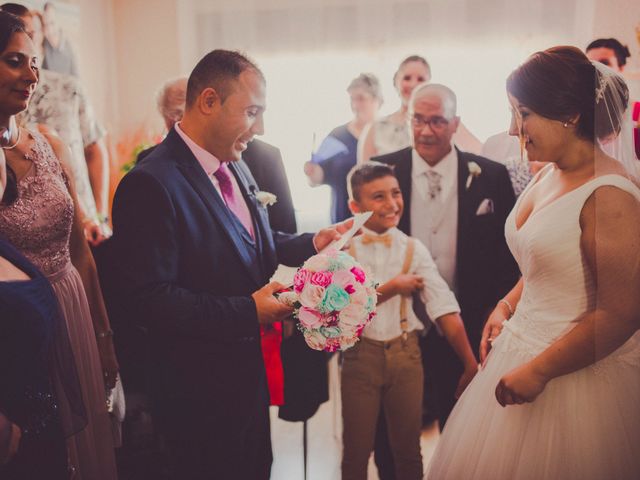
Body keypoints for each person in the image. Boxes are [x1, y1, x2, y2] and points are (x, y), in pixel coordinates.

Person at [109, 49, 352, 479]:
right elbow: (149, 299)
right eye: (252, 112)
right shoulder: (150, 183)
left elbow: (253, 243)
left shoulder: (234, 166)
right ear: (207, 101)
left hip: (248, 382)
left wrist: (313, 241)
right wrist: (248, 311)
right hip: (195, 395)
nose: (259, 128)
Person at [426, 46, 640, 480]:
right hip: (518, 347)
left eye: (522, 113)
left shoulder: (610, 195)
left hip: (575, 379)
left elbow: (622, 313)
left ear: (571, 115)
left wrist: (539, 371)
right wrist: (506, 304)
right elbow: (545, 261)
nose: (513, 128)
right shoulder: (548, 173)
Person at [374, 82, 519, 479]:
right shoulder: (380, 171)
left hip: (466, 327)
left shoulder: (490, 176)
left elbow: (508, 257)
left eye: (437, 120)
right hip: (396, 327)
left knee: (461, 433)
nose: (425, 130)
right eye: (417, 119)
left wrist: (495, 313)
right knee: (391, 435)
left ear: (455, 123)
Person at [0, 11, 118, 479]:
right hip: (19, 328)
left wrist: (105, 340)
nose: (31, 76)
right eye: (13, 61)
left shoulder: (47, 142)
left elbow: (80, 254)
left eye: (33, 62)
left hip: (72, 311)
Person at [340, 162, 477, 480]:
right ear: (355, 206)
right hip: (359, 358)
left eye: (396, 193)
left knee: (409, 453)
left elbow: (443, 306)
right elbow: (346, 310)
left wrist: (471, 364)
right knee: (356, 454)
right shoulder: (344, 250)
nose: (391, 204)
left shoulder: (414, 249)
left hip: (406, 357)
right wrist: (394, 287)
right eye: (378, 197)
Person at [1, 3, 112, 246]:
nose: (26, 38)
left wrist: (100, 215)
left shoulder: (69, 88)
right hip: (25, 229)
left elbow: (94, 148)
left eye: (31, 33)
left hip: (87, 224)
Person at [358, 55, 482, 163]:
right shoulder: (375, 128)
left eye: (420, 79)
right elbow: (363, 176)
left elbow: (481, 154)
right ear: (396, 81)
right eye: (407, 78)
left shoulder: (446, 122)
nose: (413, 84)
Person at [304, 73, 382, 222]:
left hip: (381, 218)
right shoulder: (337, 135)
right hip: (345, 220)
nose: (355, 105)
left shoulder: (388, 135)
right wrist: (311, 172)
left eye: (361, 98)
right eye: (352, 99)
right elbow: (317, 178)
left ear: (376, 100)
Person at [41, 1, 78, 77]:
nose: (49, 30)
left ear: (58, 22)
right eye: (46, 24)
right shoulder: (43, 44)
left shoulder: (71, 46)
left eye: (52, 23)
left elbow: (77, 79)